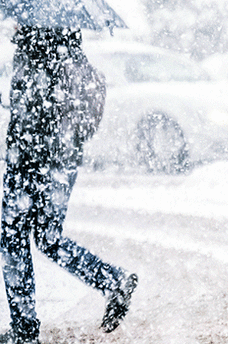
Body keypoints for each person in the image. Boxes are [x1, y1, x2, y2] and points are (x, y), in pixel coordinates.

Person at [0, 26, 138, 344]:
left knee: (13, 239)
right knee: (48, 238)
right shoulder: (72, 53)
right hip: (62, 162)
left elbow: (33, 111)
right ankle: (112, 280)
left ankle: (24, 329)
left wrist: (21, 116)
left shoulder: (36, 52)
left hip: (31, 159)